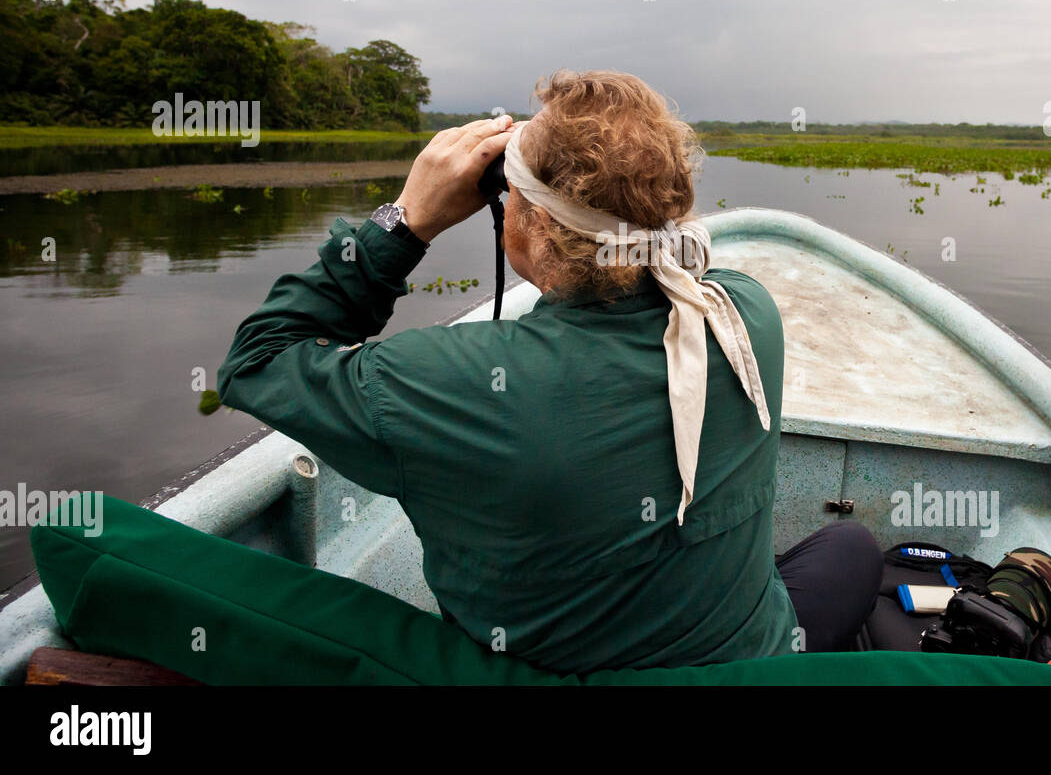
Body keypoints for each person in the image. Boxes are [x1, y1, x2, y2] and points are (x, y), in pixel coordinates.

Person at [217, 69, 882, 673]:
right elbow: (663, 255)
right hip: (751, 663)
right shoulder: (744, 316)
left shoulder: (447, 383)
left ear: (530, 221)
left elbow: (258, 359)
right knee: (851, 547)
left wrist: (405, 222)